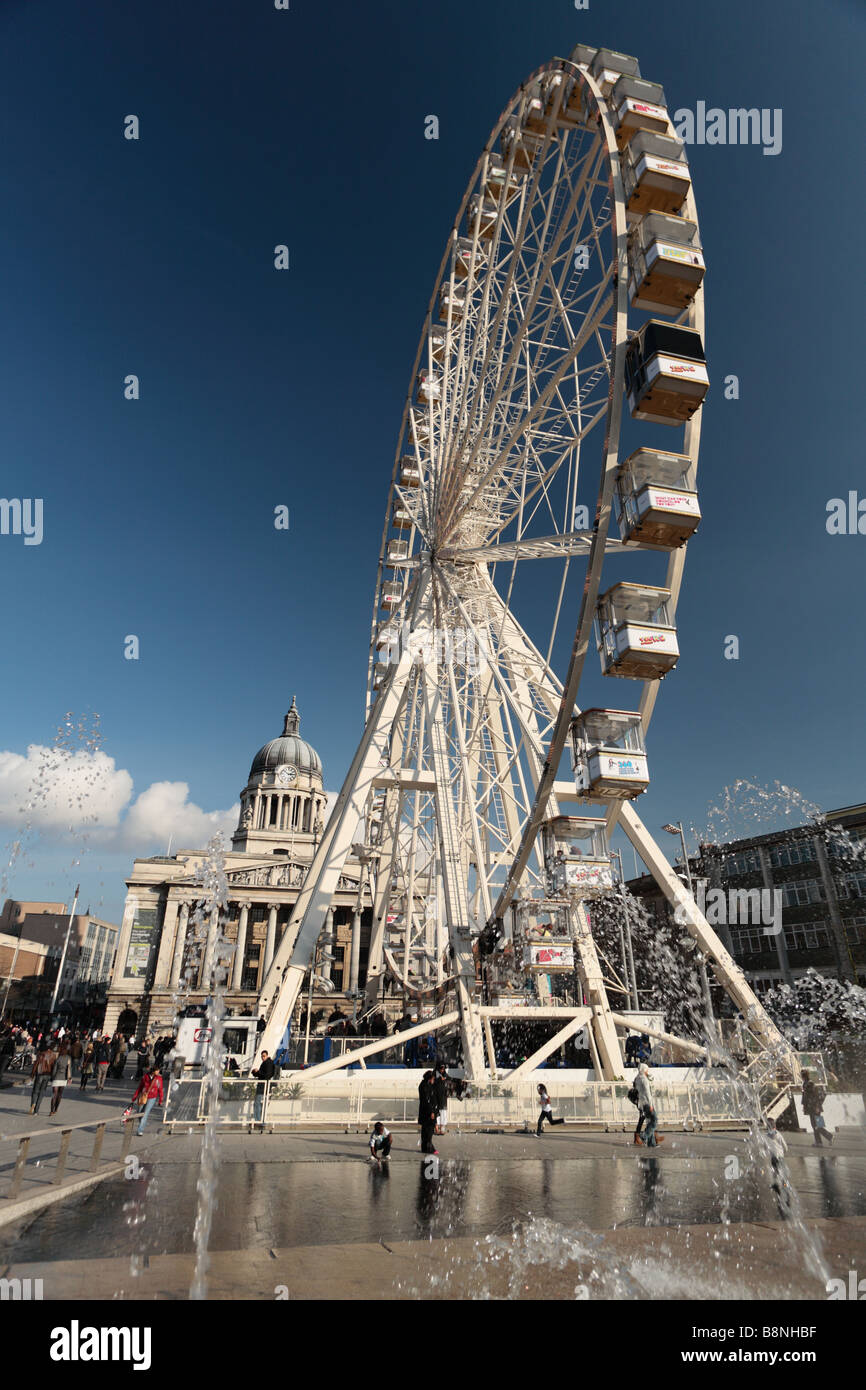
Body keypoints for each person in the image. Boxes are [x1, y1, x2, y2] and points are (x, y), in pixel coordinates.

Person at [802, 1070, 834, 1146]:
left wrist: (816, 1106)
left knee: (817, 1125)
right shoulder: (806, 1084)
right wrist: (804, 1105)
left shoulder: (810, 1084)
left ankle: (829, 1136)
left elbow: (814, 1096)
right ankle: (819, 1142)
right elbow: (805, 1096)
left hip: (814, 1107)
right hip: (813, 1107)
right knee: (815, 1125)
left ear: (803, 1076)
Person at [635, 1063, 664, 1148]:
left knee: (649, 1122)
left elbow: (651, 1078)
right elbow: (648, 1093)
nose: (648, 1071)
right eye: (647, 1069)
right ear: (644, 1070)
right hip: (647, 1103)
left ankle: (651, 1143)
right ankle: (643, 1136)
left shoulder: (637, 1078)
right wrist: (651, 1105)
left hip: (641, 1103)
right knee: (654, 1120)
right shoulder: (644, 1079)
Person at [132, 1069, 165, 1135]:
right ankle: (142, 1123)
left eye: (159, 1070)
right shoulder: (145, 1077)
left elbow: (160, 1089)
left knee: (145, 1113)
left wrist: (160, 1100)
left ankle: (140, 1130)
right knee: (139, 1112)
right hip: (143, 1096)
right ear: (153, 1071)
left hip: (152, 1097)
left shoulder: (159, 1078)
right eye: (157, 1070)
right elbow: (140, 1087)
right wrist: (135, 1096)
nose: (158, 1072)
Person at [30, 1040, 58, 1115]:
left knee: (35, 1091)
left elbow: (36, 1064)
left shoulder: (41, 1054)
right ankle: (36, 1110)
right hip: (47, 1075)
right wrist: (52, 1076)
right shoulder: (53, 1056)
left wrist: (32, 1074)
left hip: (39, 1074)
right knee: (41, 1092)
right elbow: (54, 1067)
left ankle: (33, 1103)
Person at [252, 1050, 275, 1126]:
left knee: (258, 1103)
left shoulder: (268, 1063)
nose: (262, 1058)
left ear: (267, 1055)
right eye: (262, 1056)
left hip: (263, 1086)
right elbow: (265, 1074)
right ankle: (260, 1121)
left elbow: (267, 1075)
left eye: (264, 1056)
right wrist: (256, 1072)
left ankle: (259, 1120)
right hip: (264, 1086)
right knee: (261, 1104)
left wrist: (258, 1072)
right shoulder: (268, 1063)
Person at [49, 1043, 73, 1116]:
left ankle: (51, 1111)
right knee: (60, 1094)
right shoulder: (68, 1058)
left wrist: (52, 1078)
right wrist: (69, 1078)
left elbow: (54, 1070)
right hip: (64, 1078)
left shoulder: (58, 1058)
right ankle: (56, 1109)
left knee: (54, 1095)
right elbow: (69, 1069)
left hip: (56, 1077)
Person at [418, 1070, 438, 1154]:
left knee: (425, 1130)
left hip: (425, 1110)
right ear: (429, 1078)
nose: (434, 1080)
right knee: (429, 1130)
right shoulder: (425, 1086)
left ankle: (425, 1147)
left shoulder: (425, 1085)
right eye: (433, 1078)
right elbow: (427, 1100)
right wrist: (431, 1112)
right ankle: (429, 1148)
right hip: (427, 1111)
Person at [433, 1062, 449, 1136]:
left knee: (443, 1112)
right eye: (441, 1069)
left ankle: (442, 1128)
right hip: (436, 1097)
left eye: (443, 1069)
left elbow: (449, 1080)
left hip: (443, 1097)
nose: (442, 1070)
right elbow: (433, 1083)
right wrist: (439, 1079)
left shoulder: (445, 1075)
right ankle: (437, 1128)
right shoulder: (434, 1075)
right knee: (437, 1113)